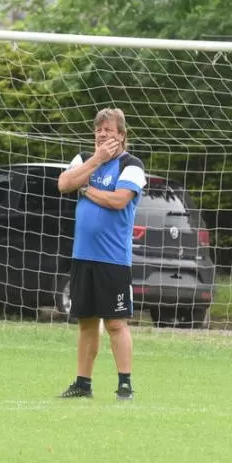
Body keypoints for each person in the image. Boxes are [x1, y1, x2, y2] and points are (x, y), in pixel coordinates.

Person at [56, 107, 146, 400]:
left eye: (108, 130)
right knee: (86, 321)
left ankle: (125, 384)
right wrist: (96, 161)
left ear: (121, 135)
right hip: (83, 256)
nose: (102, 134)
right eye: (98, 130)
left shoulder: (131, 165)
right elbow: (64, 183)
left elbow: (119, 201)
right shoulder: (84, 160)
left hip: (113, 259)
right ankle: (83, 383)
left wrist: (87, 190)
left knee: (116, 323)